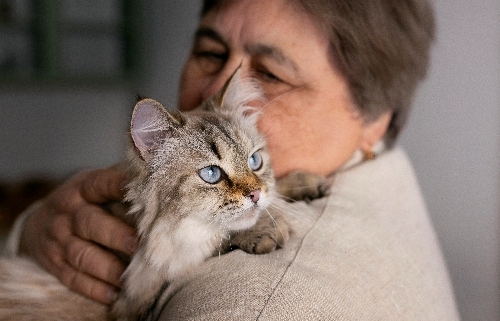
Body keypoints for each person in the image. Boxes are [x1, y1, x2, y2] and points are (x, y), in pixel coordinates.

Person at [6, 0, 460, 319]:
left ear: (374, 120)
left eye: (269, 73)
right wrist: (28, 231)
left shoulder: (258, 303)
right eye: (210, 52)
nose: (219, 91)